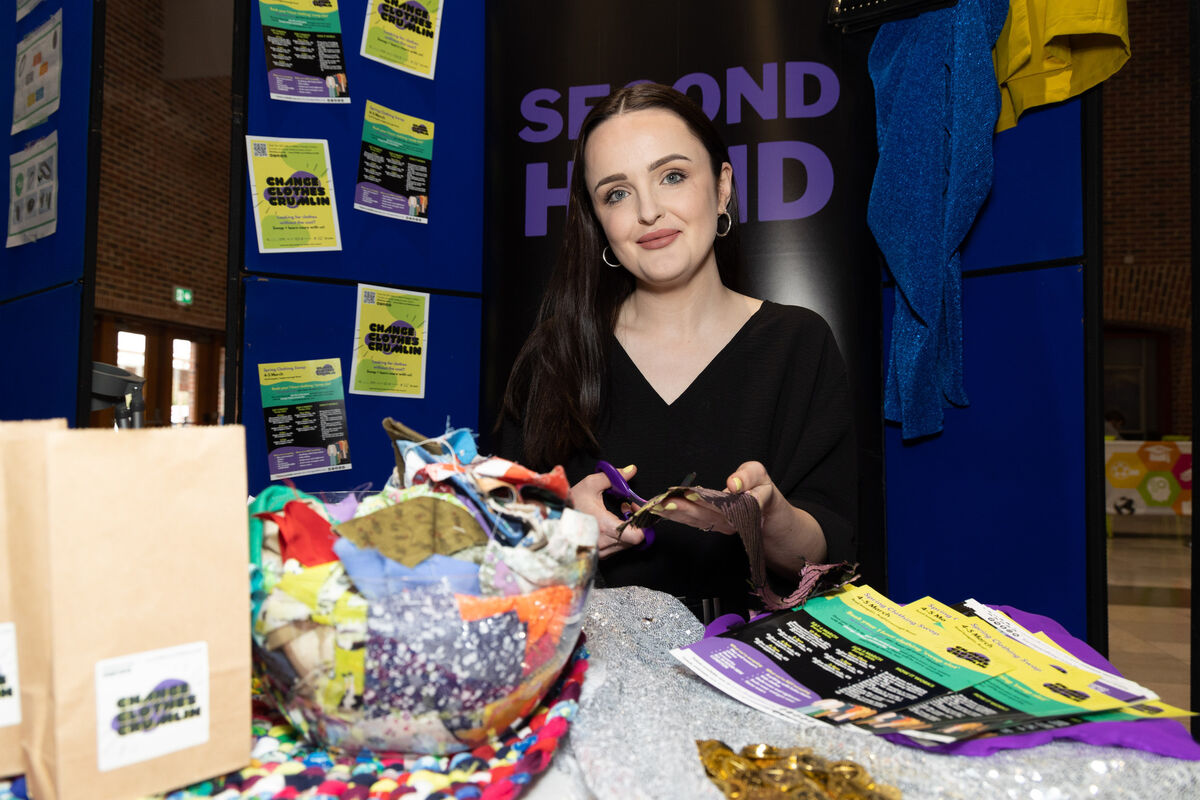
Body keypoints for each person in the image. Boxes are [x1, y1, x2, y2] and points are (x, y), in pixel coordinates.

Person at [496, 83, 857, 622]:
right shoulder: (555, 353)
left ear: (721, 188)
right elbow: (494, 549)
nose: (648, 211)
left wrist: (768, 517)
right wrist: (562, 530)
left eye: (672, 176)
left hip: (755, 672)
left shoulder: (798, 344)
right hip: (591, 673)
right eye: (616, 193)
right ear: (598, 221)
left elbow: (828, 558)